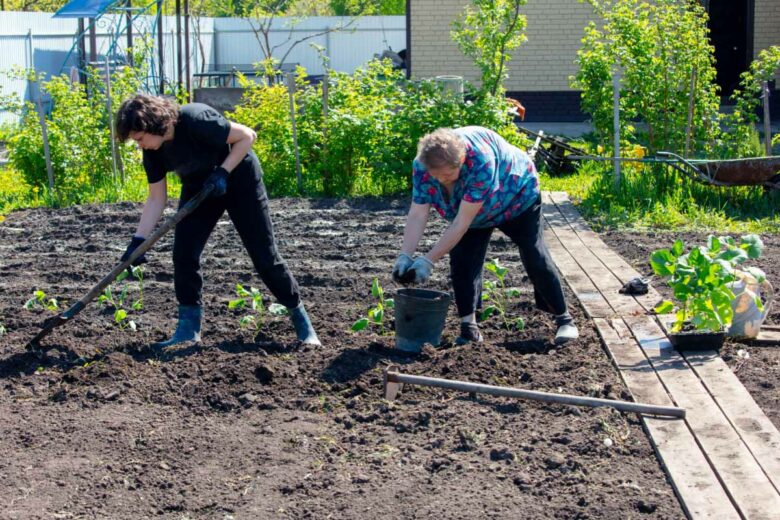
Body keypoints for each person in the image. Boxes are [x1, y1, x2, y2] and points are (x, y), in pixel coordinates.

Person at [115, 94, 320, 348]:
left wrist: (222, 172)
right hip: (201, 188)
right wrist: (137, 242)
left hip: (239, 179)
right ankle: (188, 330)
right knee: (184, 254)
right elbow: (156, 199)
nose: (139, 145)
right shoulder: (153, 152)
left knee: (264, 256)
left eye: (139, 138)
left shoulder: (195, 119)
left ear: (150, 123)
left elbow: (247, 136)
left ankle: (302, 322)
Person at [392, 126, 578, 345]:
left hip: (516, 196)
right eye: (437, 176)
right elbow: (418, 212)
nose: (443, 180)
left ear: (461, 160)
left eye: (448, 175)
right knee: (462, 260)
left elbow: (461, 223)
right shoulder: (422, 165)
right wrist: (405, 255)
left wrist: (427, 261)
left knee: (533, 251)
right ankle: (469, 328)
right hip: (472, 207)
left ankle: (564, 319)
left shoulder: (480, 161)